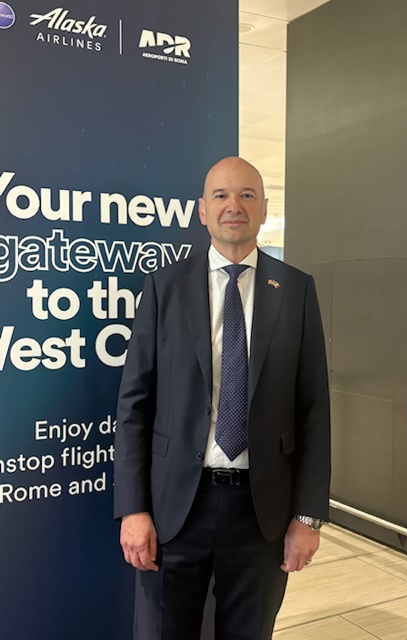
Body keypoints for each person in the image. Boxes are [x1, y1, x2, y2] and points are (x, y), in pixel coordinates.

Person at [114, 156, 331, 640]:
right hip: (173, 510)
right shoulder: (165, 286)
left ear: (264, 209)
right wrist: (133, 508)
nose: (234, 206)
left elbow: (314, 410)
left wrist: (308, 516)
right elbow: (134, 405)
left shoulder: (296, 290)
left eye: (247, 195)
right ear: (202, 210)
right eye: (221, 196)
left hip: (261, 514)